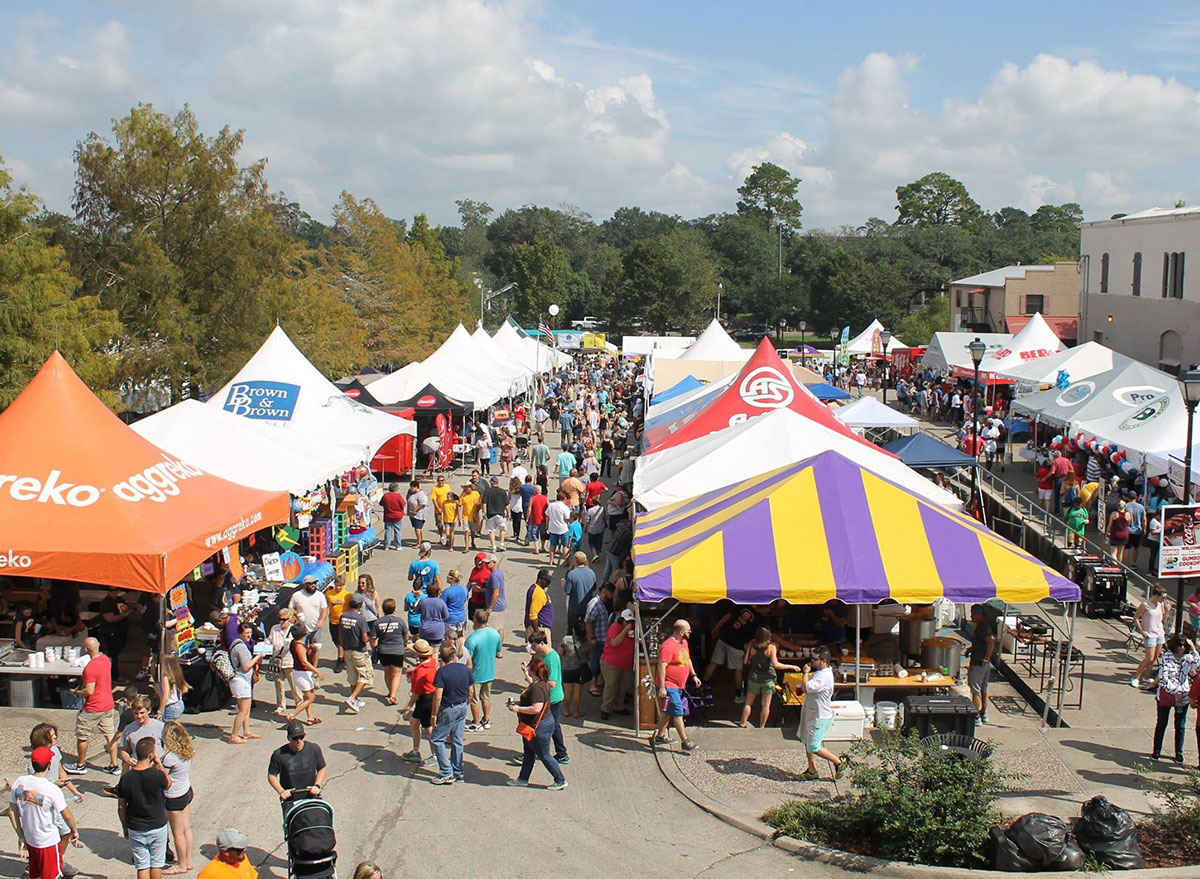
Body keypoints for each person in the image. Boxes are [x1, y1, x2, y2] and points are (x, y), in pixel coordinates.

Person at [8, 745, 79, 879]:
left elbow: (12, 811)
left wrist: (21, 836)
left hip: (30, 840)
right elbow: (67, 814)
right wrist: (74, 830)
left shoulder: (19, 782)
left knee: (35, 875)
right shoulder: (52, 789)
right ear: (49, 765)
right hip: (48, 842)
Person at [506, 657, 567, 790]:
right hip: (535, 725)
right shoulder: (540, 683)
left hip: (538, 727)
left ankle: (560, 780)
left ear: (534, 671)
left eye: (529, 666)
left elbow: (536, 708)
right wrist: (525, 673)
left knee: (544, 755)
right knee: (528, 753)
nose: (527, 666)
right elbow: (531, 682)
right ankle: (523, 779)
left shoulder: (537, 689)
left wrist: (517, 708)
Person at [64, 636, 121, 775]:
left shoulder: (90, 668)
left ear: (85, 649)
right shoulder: (106, 660)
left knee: (83, 736)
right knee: (110, 736)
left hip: (93, 707)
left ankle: (81, 765)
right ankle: (114, 765)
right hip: (108, 704)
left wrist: (76, 692)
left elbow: (89, 691)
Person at [116, 737, 171, 879]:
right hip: (157, 825)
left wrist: (124, 827)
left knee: (142, 866)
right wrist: (159, 764)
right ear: (151, 755)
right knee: (156, 864)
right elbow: (168, 783)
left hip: (136, 827)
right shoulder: (157, 775)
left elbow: (121, 806)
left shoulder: (126, 778)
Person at [798, 649, 847, 780]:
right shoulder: (820, 673)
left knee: (814, 746)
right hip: (811, 712)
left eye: (815, 659)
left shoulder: (823, 676)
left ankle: (838, 762)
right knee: (807, 742)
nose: (812, 661)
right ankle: (812, 770)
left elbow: (805, 687)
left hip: (820, 716)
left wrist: (805, 673)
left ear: (824, 661)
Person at [739, 627, 801, 728]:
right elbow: (776, 665)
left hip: (753, 678)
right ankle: (762, 726)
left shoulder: (752, 645)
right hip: (768, 679)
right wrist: (791, 666)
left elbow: (746, 661)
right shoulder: (771, 647)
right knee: (765, 705)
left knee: (748, 703)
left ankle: (742, 723)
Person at [429, 643, 473, 784]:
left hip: (449, 707)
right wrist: (467, 702)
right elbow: (471, 690)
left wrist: (434, 714)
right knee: (457, 740)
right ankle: (458, 771)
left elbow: (438, 696)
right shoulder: (464, 669)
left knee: (436, 739)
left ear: (442, 657)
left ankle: (446, 772)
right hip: (462, 706)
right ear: (454, 657)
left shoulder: (442, 672)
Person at [653, 620, 700, 750]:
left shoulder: (684, 642)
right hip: (669, 685)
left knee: (667, 711)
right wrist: (662, 687)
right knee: (678, 712)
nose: (690, 631)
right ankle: (685, 741)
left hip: (679, 685)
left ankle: (659, 736)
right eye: (688, 630)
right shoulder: (667, 646)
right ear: (680, 632)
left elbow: (687, 659)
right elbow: (662, 667)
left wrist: (693, 675)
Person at [1152, 635, 1198, 762]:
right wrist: (1175, 692)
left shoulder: (1188, 658)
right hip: (1167, 694)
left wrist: (1193, 649)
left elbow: (1197, 665)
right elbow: (1164, 676)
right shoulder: (1167, 656)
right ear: (1174, 645)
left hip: (1182, 697)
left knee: (1180, 725)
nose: (1182, 648)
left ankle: (1179, 752)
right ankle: (1156, 750)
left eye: (1184, 646)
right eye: (1179, 645)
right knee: (1162, 723)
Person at [528, 629, 568, 763]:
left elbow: (552, 682)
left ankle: (560, 753)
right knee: (551, 725)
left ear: (541, 643)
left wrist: (537, 683)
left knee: (552, 725)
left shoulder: (552, 658)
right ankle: (558, 752)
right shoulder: (540, 655)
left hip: (553, 698)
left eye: (534, 645)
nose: (532, 648)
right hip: (546, 697)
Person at [161, 722, 194, 875]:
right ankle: (188, 861)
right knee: (186, 829)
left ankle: (181, 864)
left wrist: (157, 763)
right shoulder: (187, 750)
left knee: (177, 832)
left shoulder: (169, 757)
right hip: (186, 790)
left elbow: (165, 780)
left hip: (174, 796)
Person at [268, 721, 327, 806]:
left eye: (301, 737)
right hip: (290, 799)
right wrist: (281, 791)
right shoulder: (279, 754)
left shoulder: (314, 749)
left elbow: (322, 768)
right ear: (288, 738)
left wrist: (317, 785)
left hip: (311, 795)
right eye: (295, 738)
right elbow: (272, 775)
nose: (299, 741)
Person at [465, 609, 503, 731]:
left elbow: (466, 659)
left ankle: (476, 722)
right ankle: (486, 720)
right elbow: (498, 651)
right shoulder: (495, 634)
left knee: (473, 700)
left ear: (475, 620)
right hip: (489, 672)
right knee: (486, 697)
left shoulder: (472, 640)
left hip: (475, 674)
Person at [401, 640, 438, 764]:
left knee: (428, 728)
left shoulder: (420, 671)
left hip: (425, 700)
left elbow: (416, 693)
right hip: (430, 697)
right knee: (414, 722)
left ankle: (435, 755)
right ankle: (416, 751)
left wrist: (407, 707)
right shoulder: (432, 663)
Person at [340, 593, 377, 714]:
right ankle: (351, 698)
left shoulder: (343, 616)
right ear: (360, 605)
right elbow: (365, 638)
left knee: (352, 676)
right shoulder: (360, 619)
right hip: (359, 650)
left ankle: (355, 699)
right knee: (365, 675)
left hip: (347, 649)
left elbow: (340, 633)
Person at [599, 608, 635, 719]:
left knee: (623, 686)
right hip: (611, 663)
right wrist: (625, 631)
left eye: (631, 622)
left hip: (626, 663)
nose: (629, 624)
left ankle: (618, 706)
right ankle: (605, 709)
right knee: (611, 686)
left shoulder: (634, 629)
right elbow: (614, 642)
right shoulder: (615, 627)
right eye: (627, 621)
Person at [286, 620, 324, 725]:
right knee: (310, 698)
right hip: (301, 673)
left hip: (301, 673)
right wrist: (317, 671)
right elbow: (304, 662)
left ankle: (310, 717)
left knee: (309, 695)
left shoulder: (295, 642)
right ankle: (292, 714)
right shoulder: (299, 646)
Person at [964, 604, 997, 724]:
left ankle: (976, 716)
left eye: (973, 614)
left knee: (975, 690)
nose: (971, 617)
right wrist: (971, 649)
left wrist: (986, 658)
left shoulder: (983, 627)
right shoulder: (981, 627)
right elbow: (981, 643)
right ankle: (983, 713)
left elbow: (991, 642)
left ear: (979, 615)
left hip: (979, 663)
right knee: (983, 689)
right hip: (982, 662)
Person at [1134, 586, 1171, 688]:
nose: (1163, 600)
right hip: (1150, 633)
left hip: (1159, 633)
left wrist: (1167, 611)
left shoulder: (1160, 604)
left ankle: (1146, 676)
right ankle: (1136, 677)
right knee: (1148, 658)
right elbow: (1136, 618)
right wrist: (1142, 631)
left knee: (1154, 657)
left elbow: (1162, 619)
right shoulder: (1145, 605)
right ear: (1156, 595)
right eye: (1162, 597)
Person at [376, 598, 410, 705]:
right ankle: (393, 695)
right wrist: (405, 644)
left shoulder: (378, 622)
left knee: (387, 672)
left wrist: (374, 647)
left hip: (383, 650)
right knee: (396, 673)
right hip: (397, 651)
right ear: (394, 609)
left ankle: (390, 691)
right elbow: (406, 635)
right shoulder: (400, 621)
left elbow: (373, 637)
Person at [288, 576, 329, 665]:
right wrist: (297, 615)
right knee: (302, 648)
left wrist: (321, 621)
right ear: (305, 584)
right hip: (302, 628)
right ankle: (305, 666)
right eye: (310, 583)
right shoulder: (297, 595)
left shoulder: (320, 595)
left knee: (315, 648)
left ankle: (314, 668)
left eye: (314, 583)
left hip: (316, 627)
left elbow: (324, 609)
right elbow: (290, 608)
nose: (313, 585)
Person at [266, 609, 299, 717]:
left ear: (289, 620)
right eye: (280, 619)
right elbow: (269, 640)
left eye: (284, 620)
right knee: (279, 684)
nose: (281, 622)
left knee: (294, 684)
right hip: (276, 661)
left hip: (289, 661)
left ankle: (299, 702)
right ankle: (280, 705)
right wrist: (264, 645)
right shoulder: (274, 628)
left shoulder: (293, 629)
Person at [562, 551, 596, 637]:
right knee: (587, 630)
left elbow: (567, 591)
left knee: (570, 629)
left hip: (574, 608)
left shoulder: (571, 574)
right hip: (587, 607)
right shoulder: (591, 573)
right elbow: (594, 588)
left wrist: (563, 585)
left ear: (575, 561)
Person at [323, 576, 353, 674]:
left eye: (341, 585)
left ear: (345, 585)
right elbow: (327, 606)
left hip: (343, 622)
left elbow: (351, 608)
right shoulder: (329, 594)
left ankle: (340, 660)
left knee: (341, 642)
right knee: (335, 640)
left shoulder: (348, 595)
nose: (339, 587)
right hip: (333, 621)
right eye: (337, 585)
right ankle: (344, 654)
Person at [441, 569, 470, 653]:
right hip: (461, 616)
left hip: (450, 618)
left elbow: (441, 603)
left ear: (451, 579)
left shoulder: (447, 591)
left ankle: (451, 652)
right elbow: (465, 599)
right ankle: (461, 651)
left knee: (449, 637)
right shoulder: (464, 589)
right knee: (460, 634)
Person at [482, 475, 509, 552]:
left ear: (491, 482)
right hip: (500, 513)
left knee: (491, 531)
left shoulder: (487, 492)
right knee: (502, 529)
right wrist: (508, 512)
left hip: (490, 514)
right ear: (497, 483)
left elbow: (484, 503)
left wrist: (484, 513)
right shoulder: (503, 492)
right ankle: (501, 544)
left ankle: (493, 546)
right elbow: (506, 504)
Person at [545, 490, 573, 565]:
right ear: (564, 499)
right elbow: (567, 518)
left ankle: (551, 560)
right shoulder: (565, 507)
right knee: (565, 545)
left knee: (552, 545)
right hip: (563, 528)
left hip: (553, 528)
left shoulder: (551, 505)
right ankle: (566, 562)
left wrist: (547, 526)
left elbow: (547, 516)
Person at [525, 569, 555, 636]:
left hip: (539, 627)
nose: (549, 583)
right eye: (547, 580)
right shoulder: (538, 592)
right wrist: (537, 632)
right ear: (540, 580)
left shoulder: (536, 589)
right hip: (540, 628)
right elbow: (533, 615)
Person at [381, 482, 405, 551]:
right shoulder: (398, 496)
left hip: (388, 515)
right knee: (398, 530)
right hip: (397, 516)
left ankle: (387, 545)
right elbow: (403, 504)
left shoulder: (385, 495)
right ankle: (398, 545)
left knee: (388, 530)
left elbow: (381, 503)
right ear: (396, 489)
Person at [459, 481, 482, 551]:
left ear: (471, 487)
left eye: (468, 487)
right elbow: (459, 505)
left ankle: (472, 541)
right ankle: (466, 547)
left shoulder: (476, 494)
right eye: (466, 487)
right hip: (465, 516)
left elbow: (479, 504)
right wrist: (459, 516)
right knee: (466, 531)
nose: (467, 489)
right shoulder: (462, 495)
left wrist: (476, 513)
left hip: (474, 516)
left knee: (473, 531)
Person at [1125, 492, 1147, 566]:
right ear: (1136, 497)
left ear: (1128, 497)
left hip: (1127, 529)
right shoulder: (1141, 507)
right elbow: (1144, 519)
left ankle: (1126, 564)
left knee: (1127, 548)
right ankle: (1133, 563)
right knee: (1136, 547)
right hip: (1137, 530)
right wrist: (1144, 529)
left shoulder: (1126, 506)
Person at [407, 480, 430, 546]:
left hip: (419, 514)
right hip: (412, 514)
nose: (411, 489)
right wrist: (408, 493)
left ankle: (419, 543)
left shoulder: (421, 494)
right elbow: (408, 499)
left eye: (412, 487)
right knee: (416, 528)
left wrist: (415, 510)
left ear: (416, 487)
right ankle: (420, 540)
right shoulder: (412, 493)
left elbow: (422, 504)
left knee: (418, 528)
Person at [526, 485, 549, 552]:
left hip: (535, 518)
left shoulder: (532, 498)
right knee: (543, 533)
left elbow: (529, 509)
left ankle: (536, 548)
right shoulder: (545, 498)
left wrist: (527, 518)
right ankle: (542, 547)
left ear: (535, 491)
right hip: (543, 518)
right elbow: (548, 507)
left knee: (534, 533)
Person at [1107, 499, 1130, 564]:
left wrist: (1107, 532)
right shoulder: (1128, 514)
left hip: (1115, 534)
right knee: (1120, 552)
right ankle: (1119, 565)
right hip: (1124, 534)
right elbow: (1128, 524)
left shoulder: (1114, 514)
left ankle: (1115, 564)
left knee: (1113, 552)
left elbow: (1110, 525)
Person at [429, 474, 451, 540]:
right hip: (438, 509)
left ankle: (448, 538)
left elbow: (451, 495)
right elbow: (434, 499)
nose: (441, 482)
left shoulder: (447, 486)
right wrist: (438, 508)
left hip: (447, 509)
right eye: (439, 481)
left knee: (447, 524)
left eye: (442, 480)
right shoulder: (435, 488)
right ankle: (441, 535)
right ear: (437, 481)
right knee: (439, 524)